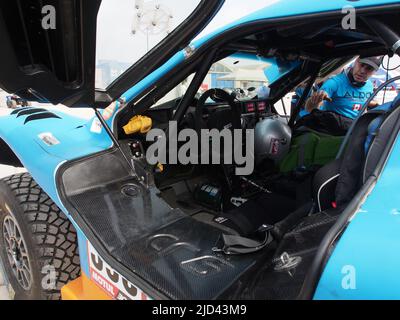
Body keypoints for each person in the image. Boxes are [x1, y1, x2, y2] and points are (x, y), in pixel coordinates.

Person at [305, 56, 383, 119]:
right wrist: (315, 100)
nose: (362, 71)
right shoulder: (334, 82)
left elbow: (362, 103)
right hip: (335, 130)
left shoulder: (369, 85)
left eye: (369, 68)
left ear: (374, 72)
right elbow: (309, 108)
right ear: (356, 61)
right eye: (361, 65)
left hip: (355, 129)